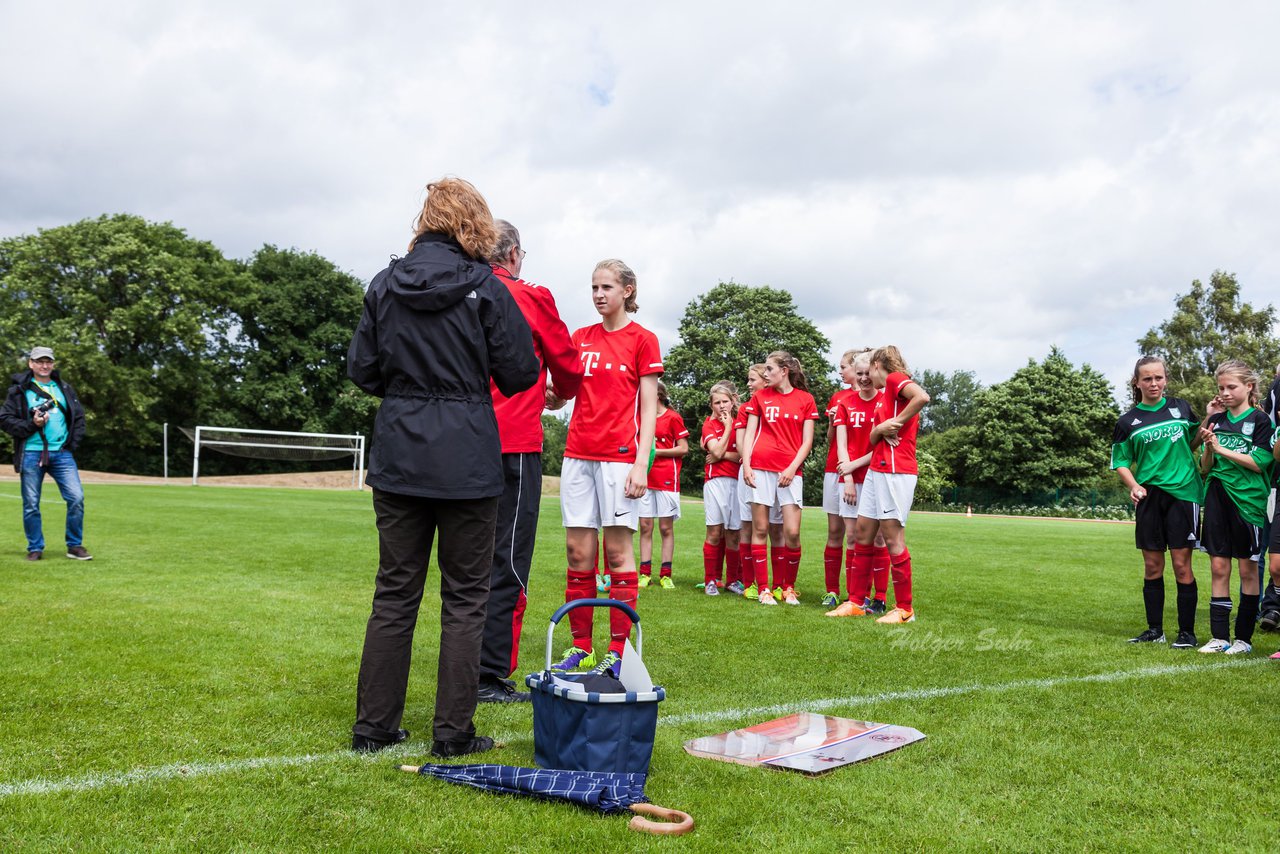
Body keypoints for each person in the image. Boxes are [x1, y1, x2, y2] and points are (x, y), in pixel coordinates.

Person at [347, 178, 539, 756]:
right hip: (468, 456)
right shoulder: (485, 286)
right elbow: (521, 373)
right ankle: (452, 733)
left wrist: (409, 390)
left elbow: (362, 368)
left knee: (395, 592)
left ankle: (374, 728)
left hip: (402, 452)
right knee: (465, 597)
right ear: (474, 224)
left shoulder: (385, 284)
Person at [476, 220, 584, 704]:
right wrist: (554, 392)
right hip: (513, 444)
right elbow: (569, 368)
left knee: (462, 562)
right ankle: (489, 672)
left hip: (458, 443)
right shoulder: (530, 295)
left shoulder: (461, 291)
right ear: (515, 253)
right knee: (508, 559)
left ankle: (463, 667)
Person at [552, 259, 661, 679]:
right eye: (594, 287)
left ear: (628, 291)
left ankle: (617, 651)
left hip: (620, 460)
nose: (599, 294)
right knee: (578, 553)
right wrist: (554, 398)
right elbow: (565, 393)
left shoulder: (643, 340)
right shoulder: (580, 338)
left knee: (617, 554)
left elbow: (649, 410)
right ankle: (581, 648)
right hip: (578, 454)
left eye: (607, 287)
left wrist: (641, 463)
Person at [1109, 356, 1203, 648]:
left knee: (1181, 565)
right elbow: (1120, 460)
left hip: (1183, 494)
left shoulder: (1181, 408)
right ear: (1136, 383)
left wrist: (1210, 418)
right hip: (1149, 496)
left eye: (1158, 378)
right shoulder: (1127, 421)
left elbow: (1193, 441)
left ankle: (1186, 633)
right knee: (1152, 566)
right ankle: (1154, 630)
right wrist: (1134, 485)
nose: (1154, 384)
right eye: (1147, 379)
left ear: (1166, 379)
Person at [1196, 359, 1273, 655]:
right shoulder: (1217, 420)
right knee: (1218, 566)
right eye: (1221, 388)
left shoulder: (1261, 421)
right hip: (1216, 494)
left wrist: (1221, 449)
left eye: (1232, 387)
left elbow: (1259, 463)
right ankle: (1219, 637)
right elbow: (1205, 467)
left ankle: (1242, 639)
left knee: (1248, 568)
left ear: (1249, 387)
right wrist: (1208, 446)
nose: (1225, 393)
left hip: (1248, 501)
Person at [851, 345, 930, 624]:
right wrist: (878, 429)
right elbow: (873, 440)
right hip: (877, 469)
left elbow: (922, 397)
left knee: (893, 538)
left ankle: (905, 609)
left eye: (868, 369)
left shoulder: (895, 379)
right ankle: (856, 602)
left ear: (876, 366)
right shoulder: (884, 396)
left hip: (896, 471)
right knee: (863, 532)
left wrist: (895, 422)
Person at [740, 351, 819, 606]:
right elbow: (750, 435)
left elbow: (807, 441)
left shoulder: (805, 399)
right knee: (760, 529)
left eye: (770, 370)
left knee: (792, 532)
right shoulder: (760, 397)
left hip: (790, 472)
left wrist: (792, 468)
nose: (766, 375)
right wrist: (747, 466)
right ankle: (764, 589)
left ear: (784, 370)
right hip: (760, 468)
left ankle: (787, 587)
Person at [0, 347, 92, 562]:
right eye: (39, 361)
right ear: (30, 364)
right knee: (31, 503)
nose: (44, 365)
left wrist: (72, 444)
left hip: (61, 453)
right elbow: (4, 419)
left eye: (48, 361)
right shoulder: (18, 391)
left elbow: (78, 418)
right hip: (31, 453)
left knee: (76, 498)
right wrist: (32, 424)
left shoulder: (65, 388)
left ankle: (74, 545)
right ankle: (35, 547)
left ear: (53, 364)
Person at [827, 349, 890, 617]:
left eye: (867, 374)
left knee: (878, 539)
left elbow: (882, 444)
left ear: (874, 372)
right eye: (860, 374)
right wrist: (848, 477)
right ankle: (856, 599)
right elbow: (841, 444)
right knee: (852, 538)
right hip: (850, 479)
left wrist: (854, 466)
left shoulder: (885, 402)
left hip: (875, 475)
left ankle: (880, 597)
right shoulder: (844, 403)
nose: (864, 379)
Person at [638, 381, 688, 589]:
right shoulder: (640, 418)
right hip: (644, 477)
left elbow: (683, 448)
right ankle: (645, 573)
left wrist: (655, 452)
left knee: (666, 528)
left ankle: (666, 574)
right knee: (645, 526)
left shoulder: (673, 417)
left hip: (667, 477)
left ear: (656, 395)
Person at [819, 351, 858, 607]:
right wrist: (833, 422)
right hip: (834, 469)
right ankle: (832, 591)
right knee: (835, 531)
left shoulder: (874, 396)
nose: (840, 372)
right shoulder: (838, 397)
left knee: (855, 535)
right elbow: (832, 439)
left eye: (843, 367)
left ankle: (854, 594)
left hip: (859, 473)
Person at [700, 381, 742, 595]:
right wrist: (727, 428)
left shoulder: (741, 422)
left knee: (734, 533)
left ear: (732, 401)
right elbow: (713, 453)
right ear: (711, 405)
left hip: (738, 482)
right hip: (715, 481)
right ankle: (710, 580)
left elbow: (740, 456)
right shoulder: (709, 424)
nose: (722, 406)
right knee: (715, 531)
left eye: (725, 401)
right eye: (717, 402)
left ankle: (732, 580)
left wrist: (722, 454)